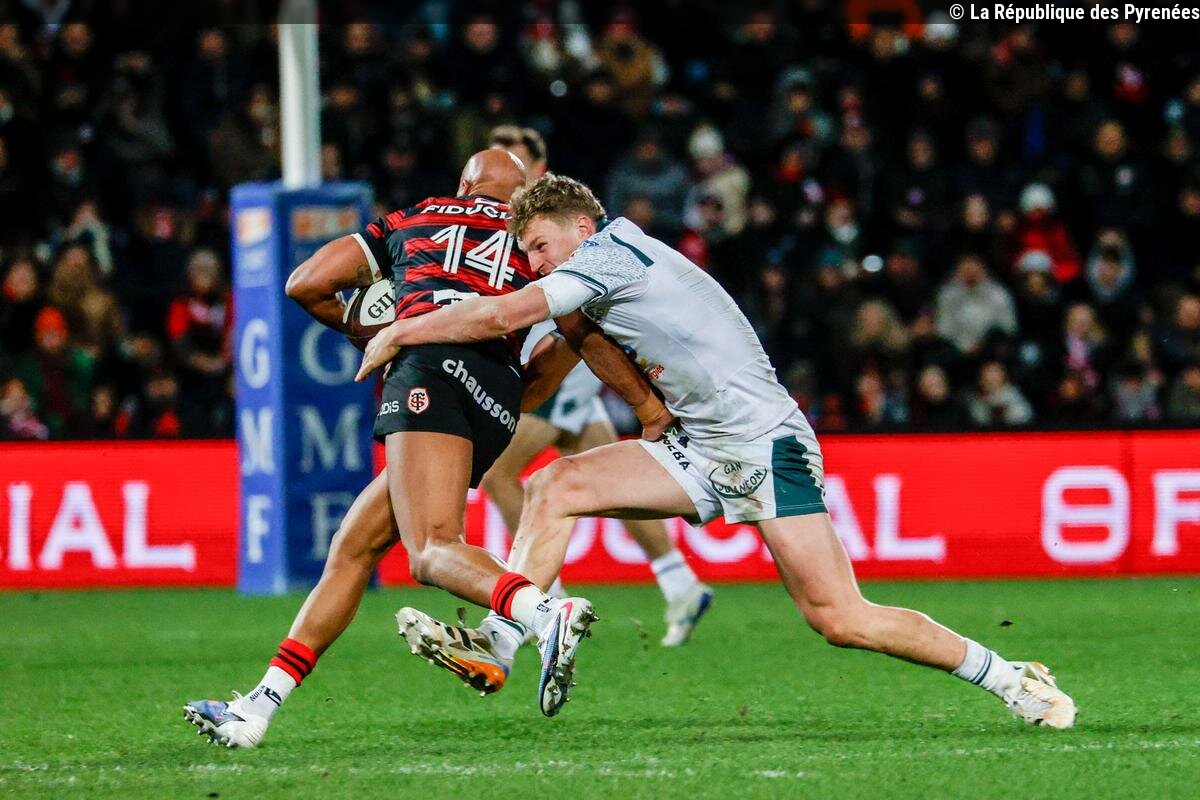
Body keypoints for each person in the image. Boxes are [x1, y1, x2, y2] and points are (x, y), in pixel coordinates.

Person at [357, 173, 1077, 728]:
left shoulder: (608, 255)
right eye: (527, 253)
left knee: (839, 618)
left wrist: (401, 331)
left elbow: (507, 313)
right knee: (555, 486)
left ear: (582, 225)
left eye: (540, 246)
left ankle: (1011, 677)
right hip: (697, 443)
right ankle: (500, 643)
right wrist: (648, 411)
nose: (534, 262)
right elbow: (581, 340)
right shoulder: (597, 269)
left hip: (763, 443)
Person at [184, 152, 671, 747]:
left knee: (431, 549)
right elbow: (571, 346)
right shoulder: (534, 246)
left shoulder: (418, 218)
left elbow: (305, 283)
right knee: (355, 546)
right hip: (497, 397)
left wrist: (374, 331)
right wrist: (648, 409)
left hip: (429, 372)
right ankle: (258, 707)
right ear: (523, 194)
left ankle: (545, 615)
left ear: (464, 184)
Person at [484, 124, 713, 648]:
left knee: (498, 471)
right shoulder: (507, 226)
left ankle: (540, 598)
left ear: (538, 169)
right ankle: (680, 582)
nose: (506, 179)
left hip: (569, 357)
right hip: (560, 355)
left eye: (516, 165)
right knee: (603, 479)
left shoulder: (560, 225)